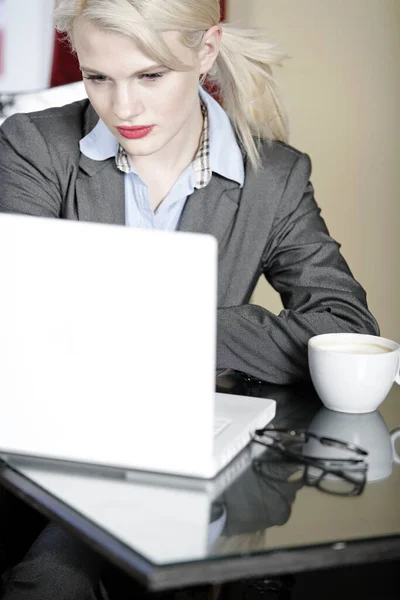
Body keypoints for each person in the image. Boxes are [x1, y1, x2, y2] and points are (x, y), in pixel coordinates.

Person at [0, 0, 379, 598]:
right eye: (99, 77)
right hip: (63, 458)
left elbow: (343, 324)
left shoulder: (273, 177)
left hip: (199, 464)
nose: (123, 107)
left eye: (150, 76)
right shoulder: (34, 145)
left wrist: (181, 328)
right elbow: (16, 317)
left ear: (206, 50)